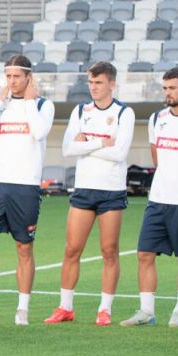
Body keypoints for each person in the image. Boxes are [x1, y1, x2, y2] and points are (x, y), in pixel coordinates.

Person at [0, 54, 55, 326]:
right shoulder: (1, 105)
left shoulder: (42, 106)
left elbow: (38, 132)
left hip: (25, 186)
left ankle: (22, 310)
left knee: (23, 248)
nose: (12, 81)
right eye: (8, 76)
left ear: (29, 77)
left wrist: (28, 101)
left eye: (17, 76)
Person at [122, 68, 178, 328]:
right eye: (165, 88)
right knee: (145, 253)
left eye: (172, 88)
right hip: (159, 199)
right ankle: (146, 311)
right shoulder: (156, 118)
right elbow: (156, 154)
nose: (168, 93)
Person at [46, 61, 134, 326]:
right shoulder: (80, 111)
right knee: (72, 249)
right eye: (91, 83)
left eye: (98, 83)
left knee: (109, 251)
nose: (94, 88)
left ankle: (104, 309)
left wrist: (85, 144)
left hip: (111, 191)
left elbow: (120, 154)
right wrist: (99, 143)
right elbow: (67, 149)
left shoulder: (124, 113)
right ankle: (65, 307)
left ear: (111, 84)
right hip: (84, 189)